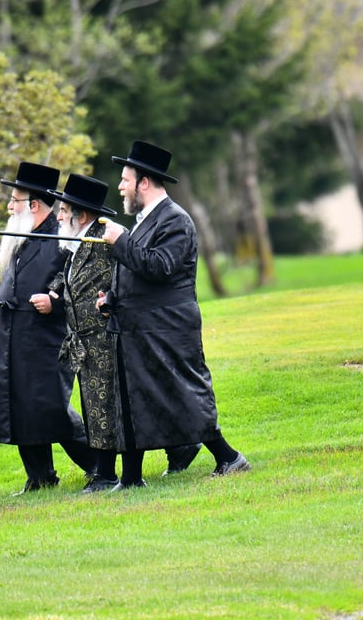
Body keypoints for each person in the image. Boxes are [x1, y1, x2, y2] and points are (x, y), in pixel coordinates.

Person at [98, 141, 250, 489]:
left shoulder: (176, 221)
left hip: (167, 328)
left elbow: (160, 267)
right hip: (136, 326)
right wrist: (111, 298)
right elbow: (135, 272)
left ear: (144, 182)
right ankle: (131, 479)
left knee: (183, 395)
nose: (120, 186)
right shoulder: (141, 222)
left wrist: (119, 241)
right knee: (131, 398)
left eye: (125, 179)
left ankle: (229, 458)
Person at [0, 162, 96, 494]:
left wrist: (54, 302)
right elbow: (9, 291)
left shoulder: (60, 238)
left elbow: (77, 283)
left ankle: (99, 466)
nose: (8, 207)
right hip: (12, 337)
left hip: (46, 340)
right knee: (19, 407)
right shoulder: (19, 237)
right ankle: (40, 475)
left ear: (33, 205)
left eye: (14, 200)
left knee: (51, 408)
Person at [40, 174, 125, 493]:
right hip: (82, 342)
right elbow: (66, 276)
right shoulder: (78, 241)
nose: (59, 216)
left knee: (103, 406)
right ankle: (105, 472)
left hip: (104, 338)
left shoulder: (105, 238)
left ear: (81, 214)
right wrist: (53, 293)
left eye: (63, 210)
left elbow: (125, 275)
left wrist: (111, 298)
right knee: (94, 406)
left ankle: (106, 475)